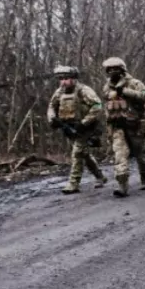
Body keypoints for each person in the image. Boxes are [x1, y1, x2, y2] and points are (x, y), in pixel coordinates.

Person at [46, 65, 107, 193]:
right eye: (61, 79)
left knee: (77, 153)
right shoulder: (59, 92)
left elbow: (97, 106)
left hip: (85, 128)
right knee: (84, 154)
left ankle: (73, 184)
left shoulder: (84, 90)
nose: (63, 81)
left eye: (66, 78)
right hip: (69, 128)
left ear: (73, 79)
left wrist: (84, 122)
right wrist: (52, 119)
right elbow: (51, 106)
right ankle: (100, 176)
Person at [101, 57, 145, 197]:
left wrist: (125, 92)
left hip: (135, 125)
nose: (112, 72)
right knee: (120, 156)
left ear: (122, 70)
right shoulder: (107, 87)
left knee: (141, 155)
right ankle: (122, 185)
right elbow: (106, 105)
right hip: (118, 127)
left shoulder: (134, 83)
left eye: (115, 69)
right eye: (109, 70)